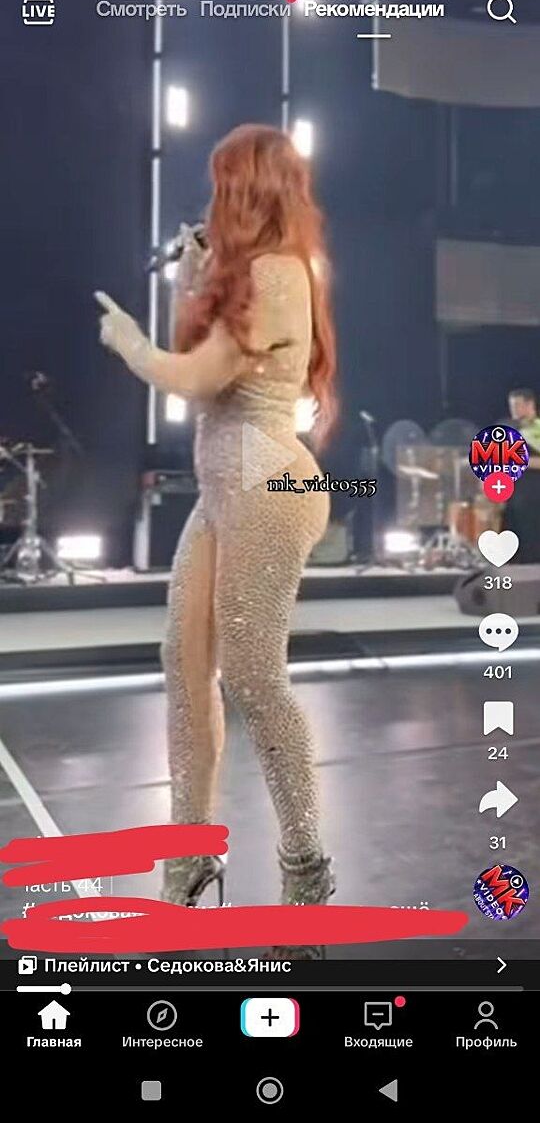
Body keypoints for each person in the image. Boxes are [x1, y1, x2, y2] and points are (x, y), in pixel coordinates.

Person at [94, 123, 338, 956]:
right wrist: (190, 277)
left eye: (223, 182)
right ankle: (189, 855)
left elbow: (192, 376)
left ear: (249, 188)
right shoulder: (247, 272)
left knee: (255, 679)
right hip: (224, 490)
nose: (213, 198)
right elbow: (195, 366)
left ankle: (306, 867)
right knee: (184, 660)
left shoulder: (279, 274)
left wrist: (129, 343)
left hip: (269, 487)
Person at [503, 388, 540, 562]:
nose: (514, 410)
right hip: (514, 497)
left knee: (532, 543)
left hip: (534, 497)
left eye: (517, 405)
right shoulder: (513, 430)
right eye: (512, 406)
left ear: (530, 404)